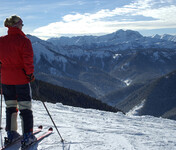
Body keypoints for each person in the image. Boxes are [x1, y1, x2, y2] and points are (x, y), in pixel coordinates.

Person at [0, 15, 36, 147]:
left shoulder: (1, 41)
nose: (22, 26)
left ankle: (11, 133)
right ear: (17, 25)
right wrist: (30, 74)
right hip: (21, 78)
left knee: (10, 106)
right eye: (22, 24)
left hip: (6, 79)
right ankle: (27, 136)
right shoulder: (24, 41)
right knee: (25, 107)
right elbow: (28, 60)